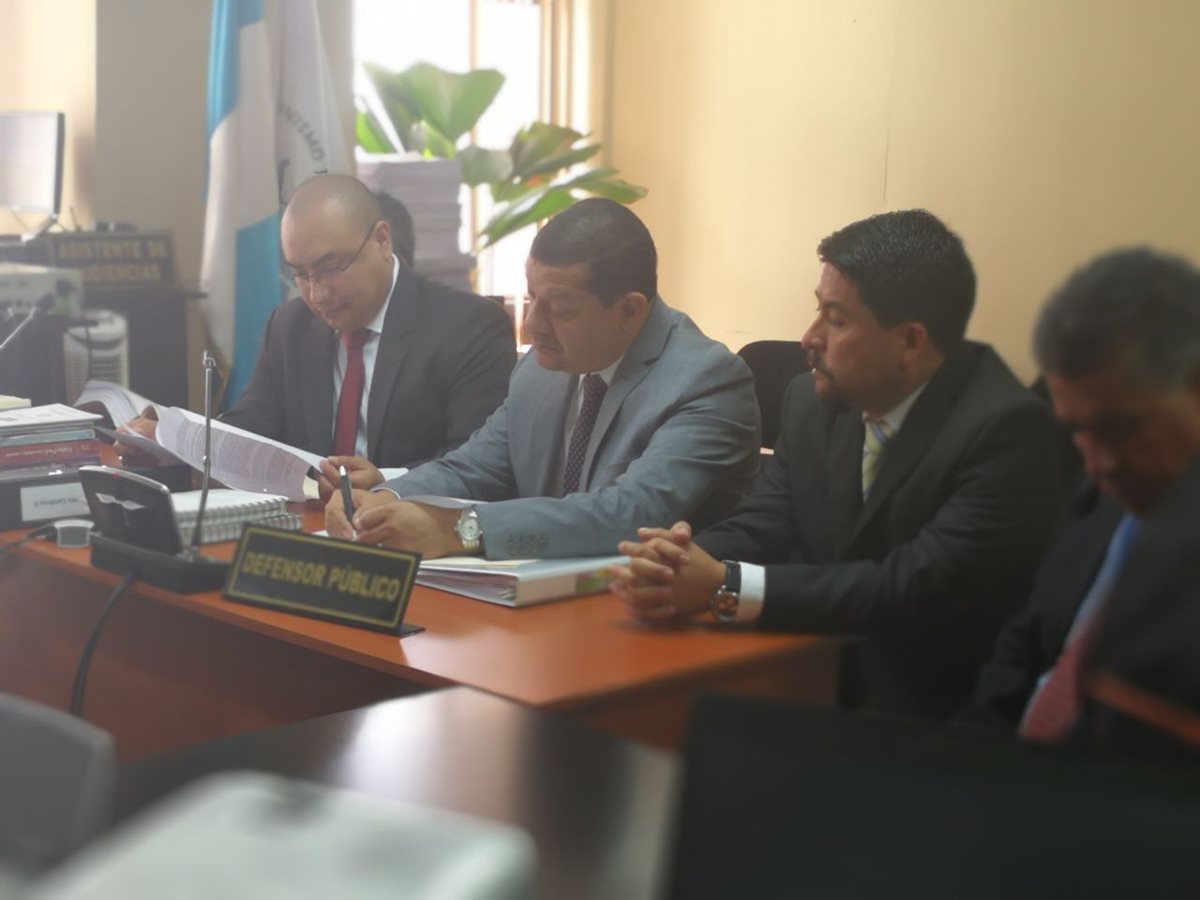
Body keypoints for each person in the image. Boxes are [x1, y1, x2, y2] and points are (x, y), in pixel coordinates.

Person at [612, 209, 1063, 719]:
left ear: (910, 342)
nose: (809, 338)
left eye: (837, 319)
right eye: (817, 310)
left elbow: (912, 587)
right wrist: (672, 563)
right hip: (808, 672)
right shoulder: (811, 400)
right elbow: (766, 521)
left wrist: (725, 584)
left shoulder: (1007, 430)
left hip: (937, 712)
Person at [325, 197, 761, 560]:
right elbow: (475, 466)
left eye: (561, 309)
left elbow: (630, 514)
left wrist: (459, 530)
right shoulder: (541, 367)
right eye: (531, 297)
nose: (533, 326)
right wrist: (386, 498)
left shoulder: (706, 382)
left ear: (630, 310)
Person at [123, 175, 515, 499]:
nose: (317, 294)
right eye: (300, 273)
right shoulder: (289, 325)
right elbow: (254, 426)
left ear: (382, 241)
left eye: (330, 268)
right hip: (311, 529)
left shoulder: (469, 328)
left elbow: (480, 466)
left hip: (417, 535)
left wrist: (387, 482)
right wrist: (174, 441)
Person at [963, 247, 1200, 746]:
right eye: (1077, 431)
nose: (1097, 464)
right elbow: (1023, 648)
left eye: (1119, 429)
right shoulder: (1101, 492)